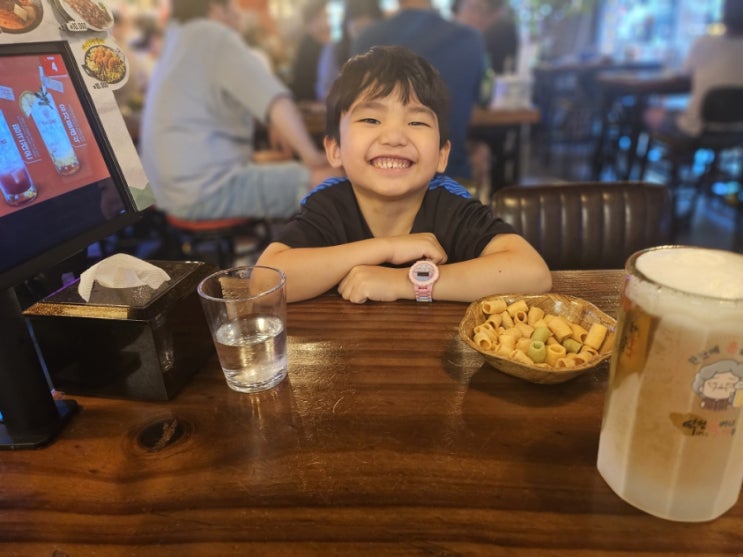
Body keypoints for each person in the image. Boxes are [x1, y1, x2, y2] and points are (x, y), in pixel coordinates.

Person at [255, 46, 551, 304]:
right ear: (335, 149)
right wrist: (386, 248)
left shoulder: (451, 207)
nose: (394, 137)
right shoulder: (330, 206)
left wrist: (407, 283)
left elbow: (533, 273)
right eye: (371, 119)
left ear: (442, 155)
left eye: (416, 122)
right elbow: (264, 283)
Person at [139, 0, 336, 221]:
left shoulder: (175, 39)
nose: (240, 14)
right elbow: (274, 100)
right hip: (205, 191)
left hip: (164, 193)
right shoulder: (212, 34)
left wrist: (274, 121)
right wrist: (312, 156)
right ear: (214, 7)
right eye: (235, 5)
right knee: (331, 178)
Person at [351, 0, 487, 181]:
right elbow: (480, 100)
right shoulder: (469, 39)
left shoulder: (367, 38)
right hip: (451, 177)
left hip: (382, 179)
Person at [643, 0, 743, 139]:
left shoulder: (705, 43)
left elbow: (684, 76)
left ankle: (633, 150)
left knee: (648, 113)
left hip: (696, 129)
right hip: (737, 131)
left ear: (724, 15)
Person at [316, 0, 383, 101]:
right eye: (358, 30)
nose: (362, 38)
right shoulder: (333, 50)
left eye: (367, 31)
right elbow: (325, 91)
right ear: (346, 26)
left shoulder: (385, 52)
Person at [289, 0, 331, 102]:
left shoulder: (321, 42)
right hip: (314, 104)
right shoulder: (308, 47)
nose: (328, 21)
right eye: (325, 16)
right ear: (313, 20)